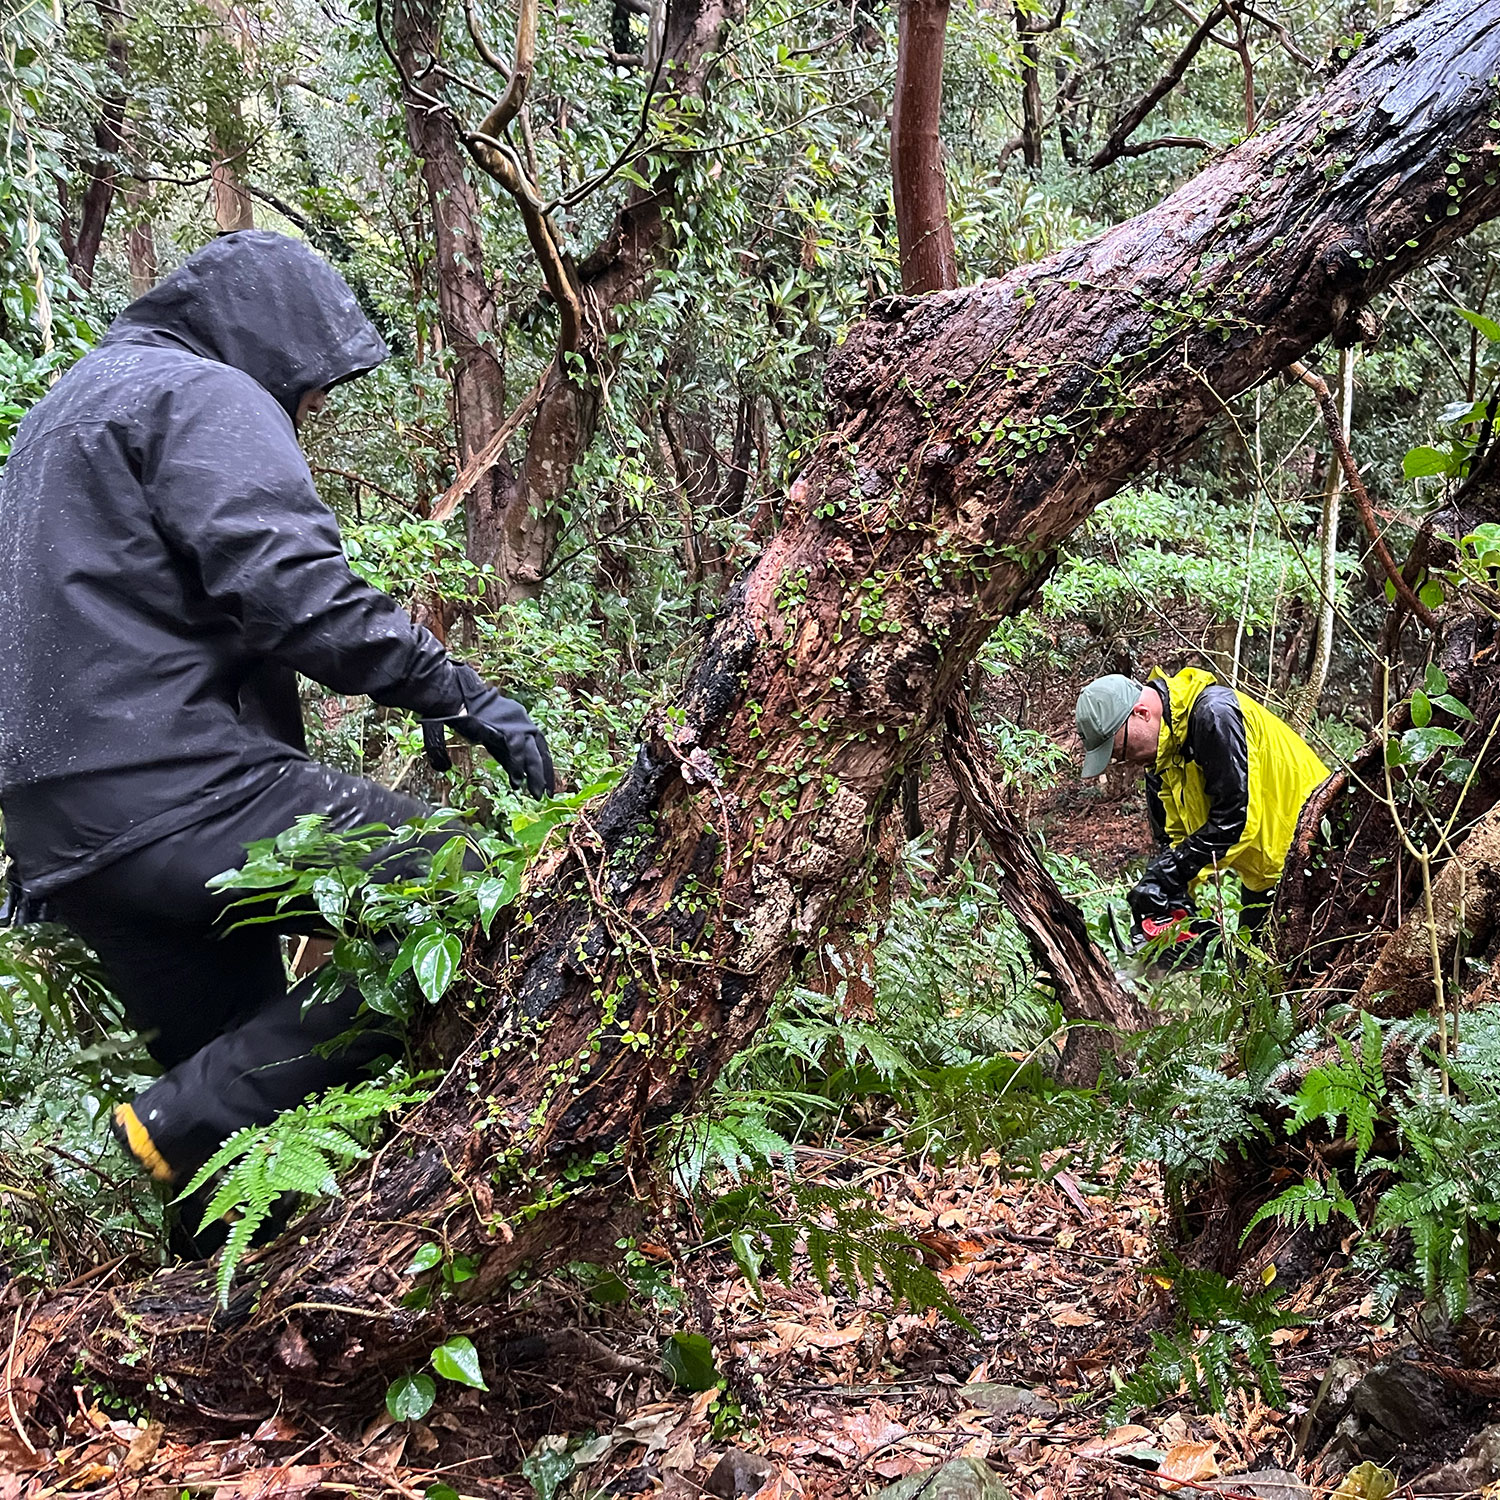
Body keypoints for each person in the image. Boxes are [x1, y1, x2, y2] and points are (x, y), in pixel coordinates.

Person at [0, 231, 554, 1233]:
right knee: (488, 896)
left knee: (223, 1165)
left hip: (67, 837)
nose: (307, 410)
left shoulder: (58, 418)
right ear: (270, 339)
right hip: (178, 792)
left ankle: (191, 1341)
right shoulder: (200, 394)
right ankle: (188, 1112)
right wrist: (460, 695)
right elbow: (294, 592)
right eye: (311, 388)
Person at [1074, 666, 1328, 949]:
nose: (1125, 761)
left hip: (1317, 855)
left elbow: (1237, 820)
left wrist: (1171, 873)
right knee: (1249, 976)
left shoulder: (1215, 717)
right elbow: (1175, 837)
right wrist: (1172, 894)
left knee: (1294, 978)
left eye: (1122, 750)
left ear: (1142, 713)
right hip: (1266, 873)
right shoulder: (1164, 756)